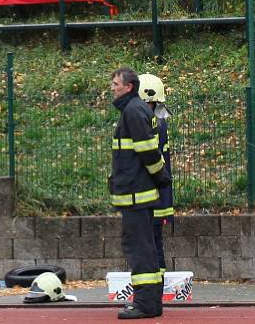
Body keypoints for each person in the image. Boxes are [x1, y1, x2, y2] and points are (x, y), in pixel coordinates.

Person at [110, 67, 170, 319]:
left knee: (139, 250)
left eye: (115, 84)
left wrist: (161, 177)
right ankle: (152, 303)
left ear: (129, 87)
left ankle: (145, 304)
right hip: (139, 194)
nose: (112, 88)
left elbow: (148, 151)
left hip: (136, 195)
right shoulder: (136, 109)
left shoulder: (133, 111)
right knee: (145, 248)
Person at [138, 73, 174, 282]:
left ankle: (153, 290)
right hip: (158, 196)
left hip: (150, 196)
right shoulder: (159, 122)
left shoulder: (151, 125)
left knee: (150, 246)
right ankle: (155, 288)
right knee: (155, 244)